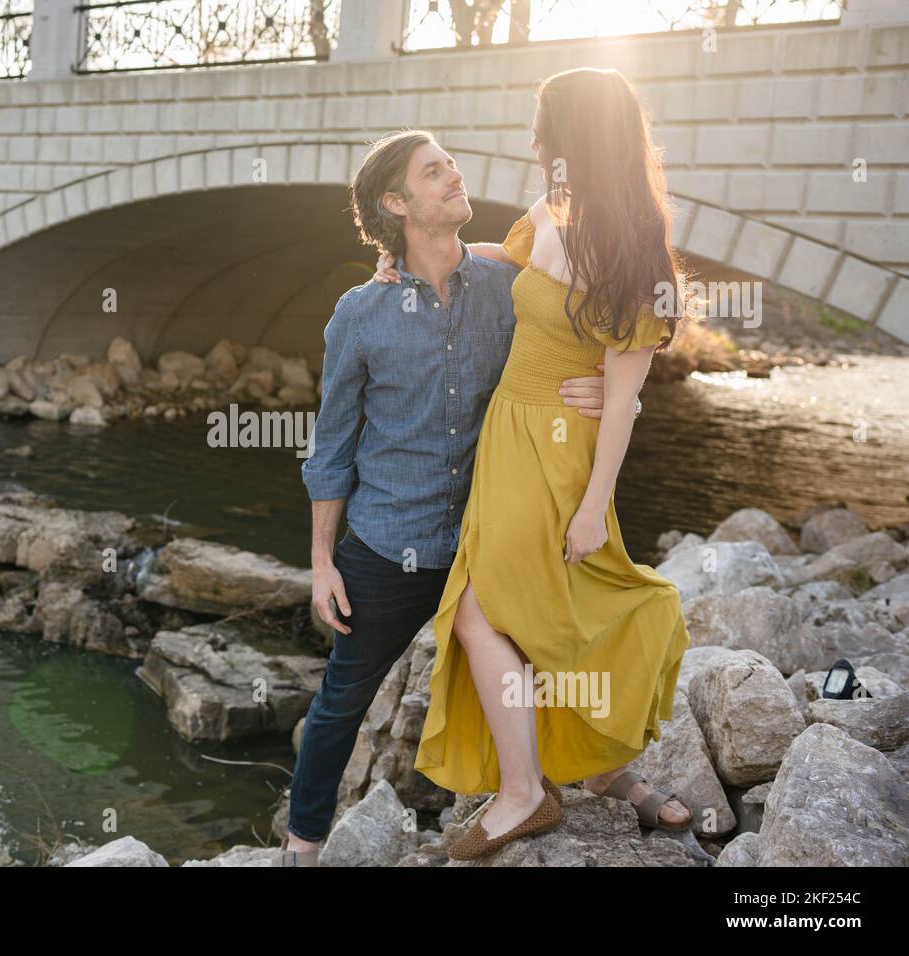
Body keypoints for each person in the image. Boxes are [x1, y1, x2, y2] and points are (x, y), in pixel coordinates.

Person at [275, 127, 641, 867]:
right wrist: (322, 562)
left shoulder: (511, 283)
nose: (454, 177)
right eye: (433, 171)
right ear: (395, 202)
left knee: (565, 653)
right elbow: (333, 443)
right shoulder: (360, 313)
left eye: (451, 165)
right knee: (340, 703)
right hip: (385, 548)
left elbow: (610, 329)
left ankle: (612, 781)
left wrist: (616, 393)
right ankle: (300, 848)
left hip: (488, 535)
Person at [378, 67, 695, 861]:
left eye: (543, 126)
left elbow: (621, 397)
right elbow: (502, 262)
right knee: (540, 606)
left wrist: (594, 506)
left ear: (576, 137)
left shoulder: (631, 249)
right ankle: (597, 769)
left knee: (487, 612)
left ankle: (524, 793)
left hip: (559, 453)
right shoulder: (549, 212)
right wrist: (415, 262)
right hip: (507, 440)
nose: (532, 141)